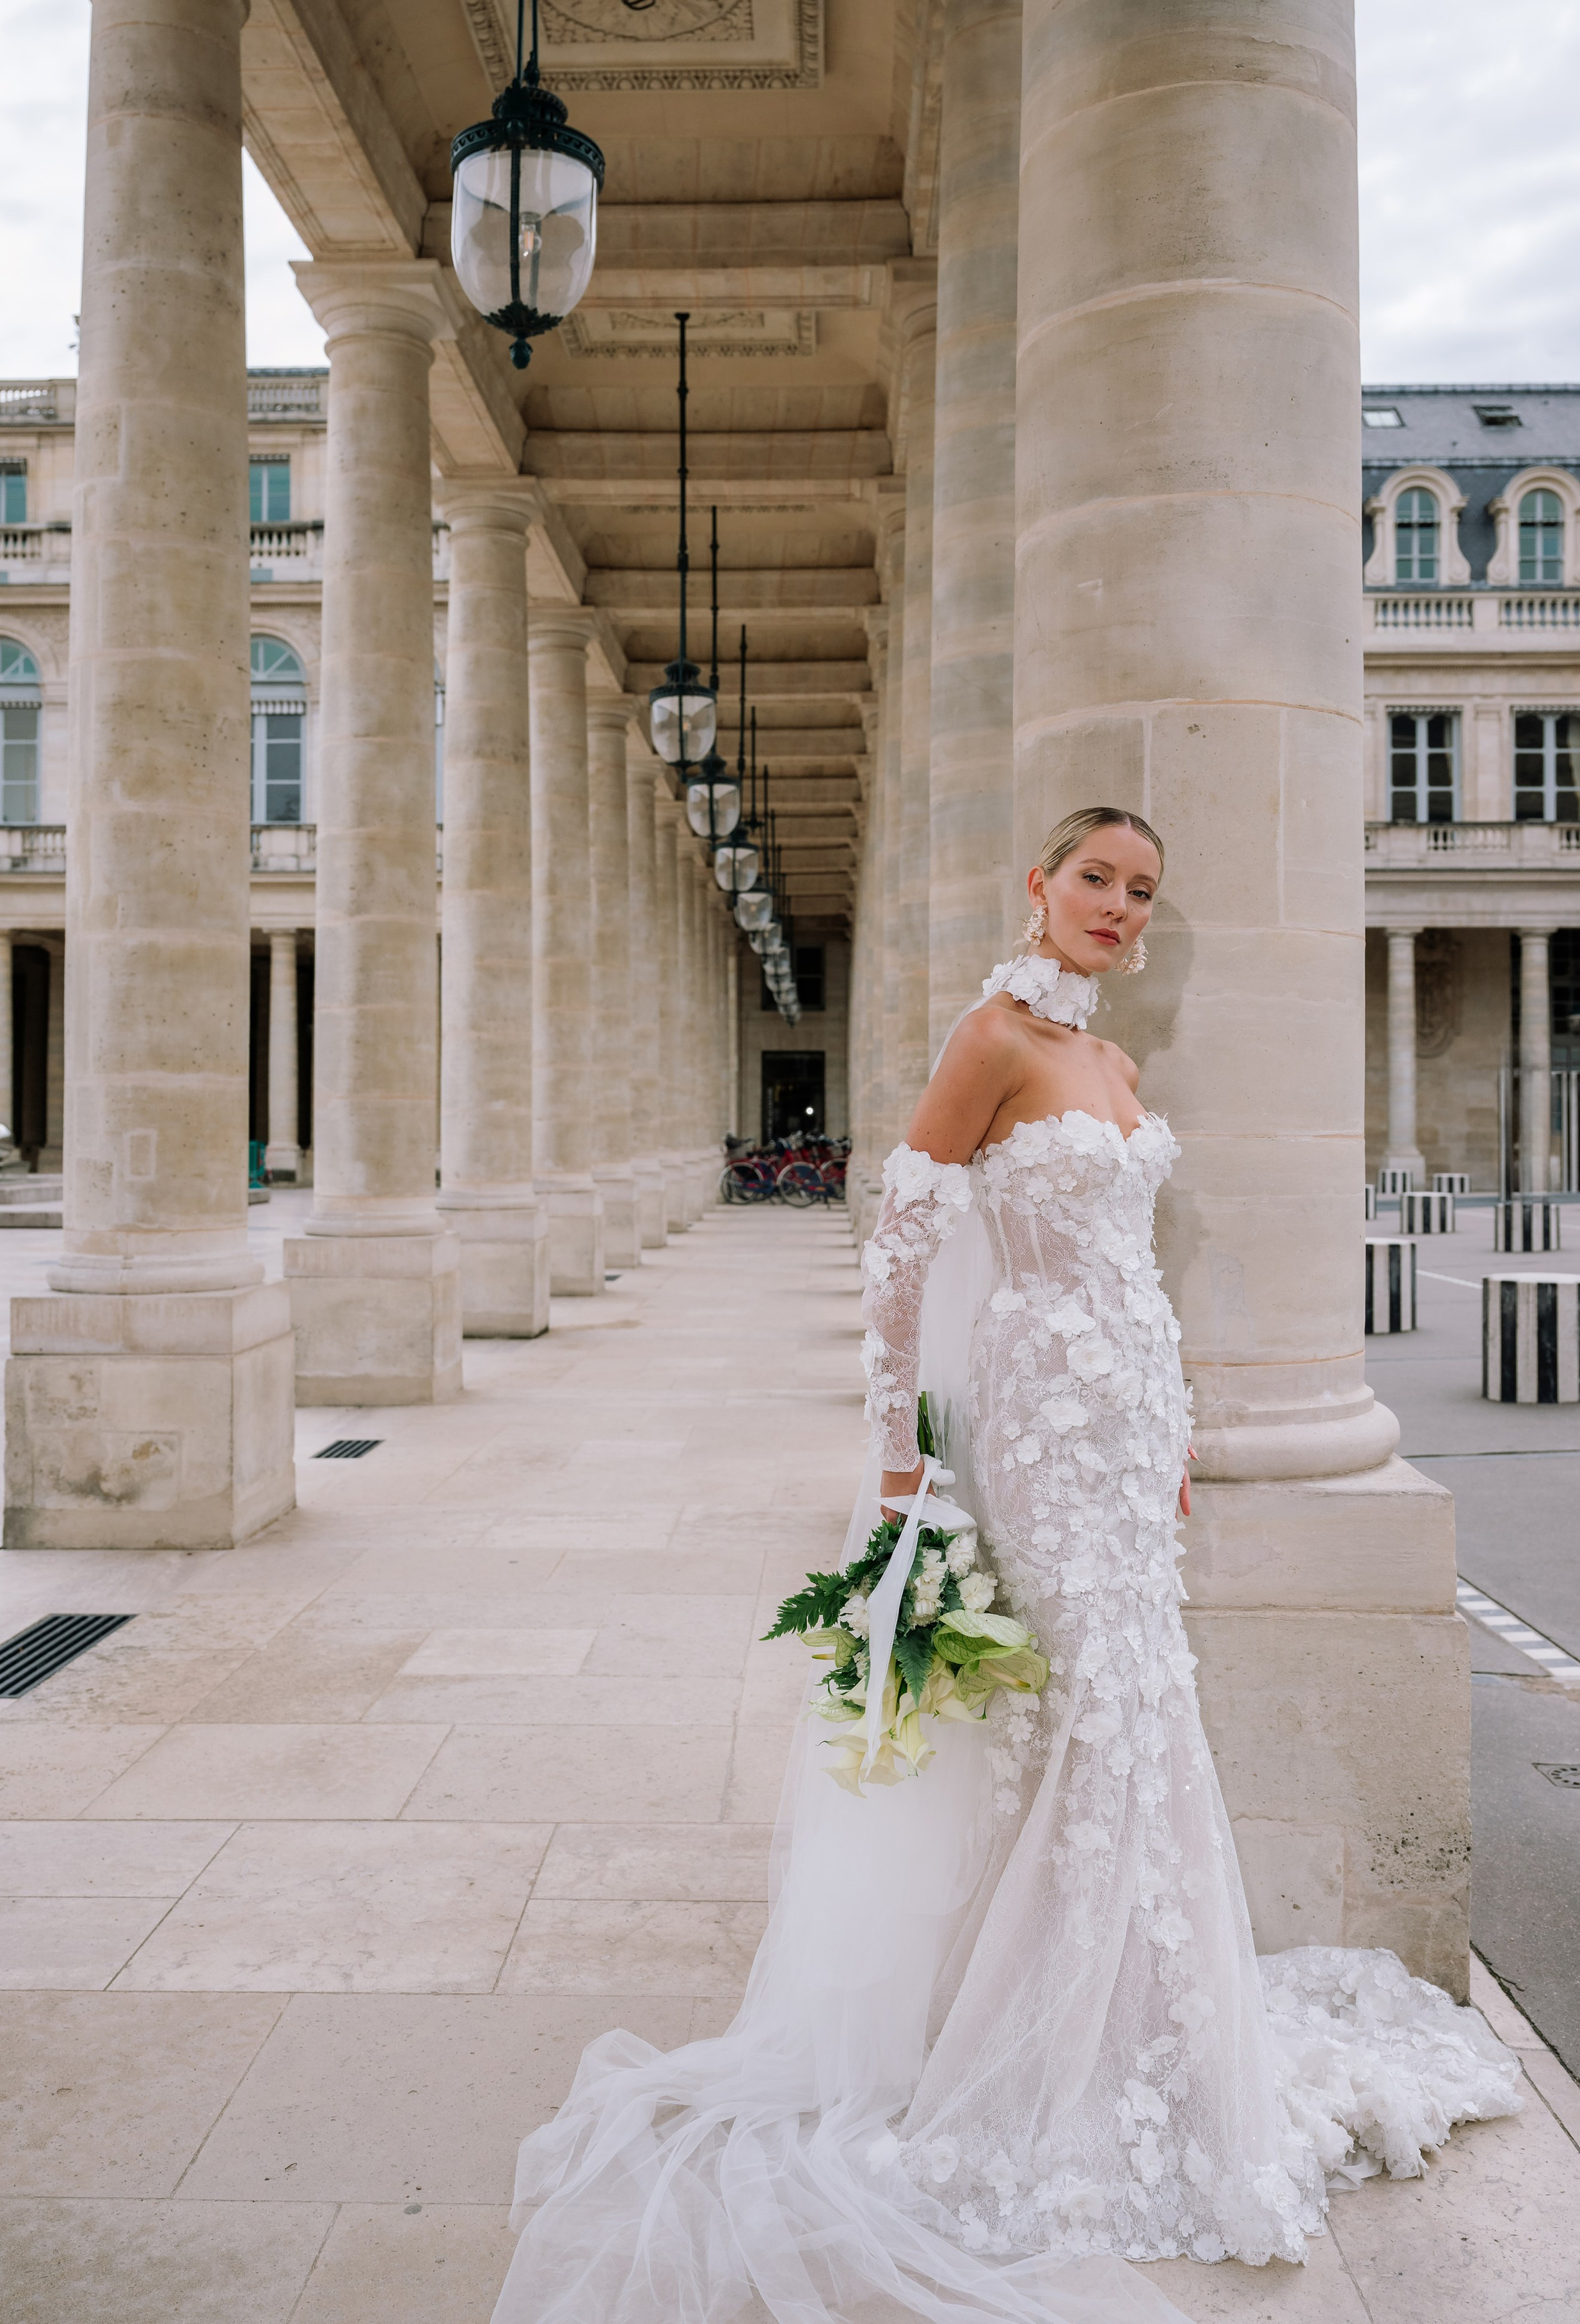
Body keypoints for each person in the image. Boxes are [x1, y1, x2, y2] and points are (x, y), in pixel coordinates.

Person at [491, 807, 1519, 2324]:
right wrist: (903, 1450)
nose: (1115, 904)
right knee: (1082, 1715)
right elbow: (904, 1247)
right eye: (1093, 878)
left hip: (1120, 1436)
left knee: (1135, 1712)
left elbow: (1126, 1266)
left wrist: (1163, 1425)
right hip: (1030, 1433)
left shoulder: (1113, 1066)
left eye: (1139, 890)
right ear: (1034, 886)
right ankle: (1026, 2036)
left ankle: (1136, 2016)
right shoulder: (994, 1039)